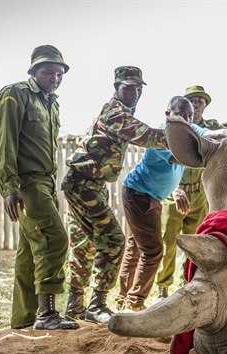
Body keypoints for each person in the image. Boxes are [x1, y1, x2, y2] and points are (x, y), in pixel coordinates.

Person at [62, 66, 169, 324]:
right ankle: (97, 305)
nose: (135, 93)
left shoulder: (121, 112)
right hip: (83, 184)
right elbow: (148, 135)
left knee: (83, 247)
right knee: (113, 241)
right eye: (129, 87)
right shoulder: (115, 113)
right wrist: (187, 137)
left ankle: (74, 308)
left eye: (139, 88)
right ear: (117, 87)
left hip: (89, 185)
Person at [0, 44, 79, 330]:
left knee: (29, 250)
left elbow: (46, 149)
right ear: (33, 71)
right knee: (54, 239)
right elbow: (5, 143)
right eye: (47, 72)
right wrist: (9, 186)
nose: (55, 77)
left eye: (59, 73)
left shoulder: (51, 103)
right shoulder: (14, 95)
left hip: (44, 182)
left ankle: (24, 317)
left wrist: (52, 189)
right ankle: (47, 314)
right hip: (25, 182)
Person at [117, 96, 221, 311]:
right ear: (168, 115)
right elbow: (187, 154)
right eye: (181, 115)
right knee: (152, 250)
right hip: (139, 194)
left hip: (151, 196)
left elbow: (208, 133)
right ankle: (134, 303)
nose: (186, 120)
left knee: (136, 247)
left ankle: (123, 298)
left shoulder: (189, 130)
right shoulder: (161, 137)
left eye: (190, 116)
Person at [155, 85, 226, 298]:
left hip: (200, 195)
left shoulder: (211, 128)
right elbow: (158, 164)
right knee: (168, 243)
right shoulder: (169, 130)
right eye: (192, 100)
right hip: (174, 193)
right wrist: (174, 189)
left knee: (197, 243)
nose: (196, 104)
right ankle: (163, 290)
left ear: (205, 106)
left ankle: (190, 285)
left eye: (200, 101)